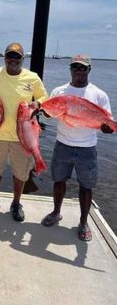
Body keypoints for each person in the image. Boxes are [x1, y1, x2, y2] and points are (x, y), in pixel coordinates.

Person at [41, 55, 114, 241]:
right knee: (59, 181)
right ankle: (56, 212)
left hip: (87, 148)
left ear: (89, 70)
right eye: (75, 67)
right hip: (62, 144)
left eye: (82, 68)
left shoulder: (99, 94)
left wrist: (107, 127)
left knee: (86, 186)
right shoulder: (59, 91)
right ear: (70, 69)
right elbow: (49, 112)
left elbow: (107, 125)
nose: (78, 71)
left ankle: (83, 223)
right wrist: (41, 111)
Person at [0, 42, 48, 221]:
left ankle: (16, 203)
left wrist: (38, 104)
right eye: (10, 56)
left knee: (21, 174)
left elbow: (44, 97)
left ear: (23, 59)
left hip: (22, 138)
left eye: (17, 57)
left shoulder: (32, 78)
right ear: (5, 58)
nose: (13, 60)